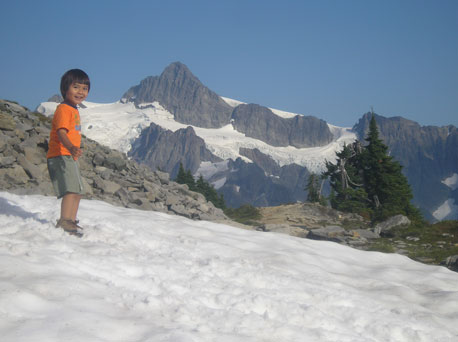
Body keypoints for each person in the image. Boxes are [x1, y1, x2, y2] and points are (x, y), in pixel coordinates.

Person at [47, 69, 90, 236]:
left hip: (70, 154)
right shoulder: (64, 109)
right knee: (71, 189)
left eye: (85, 88)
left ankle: (71, 220)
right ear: (65, 88)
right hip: (62, 154)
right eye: (76, 87)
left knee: (78, 190)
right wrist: (71, 147)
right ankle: (65, 220)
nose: (81, 92)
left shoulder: (73, 109)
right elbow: (61, 132)